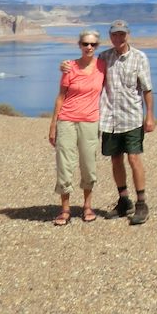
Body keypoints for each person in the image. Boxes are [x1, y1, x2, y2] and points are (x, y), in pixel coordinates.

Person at [63, 19, 155, 225]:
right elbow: (83, 65)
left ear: (127, 35)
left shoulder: (140, 57)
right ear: (110, 37)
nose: (119, 38)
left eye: (122, 34)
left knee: (134, 158)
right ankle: (124, 201)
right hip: (110, 119)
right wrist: (66, 65)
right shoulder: (103, 58)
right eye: (115, 35)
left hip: (132, 117)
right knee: (115, 159)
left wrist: (150, 116)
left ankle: (141, 203)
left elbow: (147, 89)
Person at [48, 29, 104, 226]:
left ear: (97, 46)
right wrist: (53, 124)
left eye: (93, 44)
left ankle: (87, 206)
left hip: (90, 121)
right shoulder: (69, 67)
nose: (89, 47)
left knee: (89, 164)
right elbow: (61, 97)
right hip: (67, 120)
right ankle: (65, 210)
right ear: (79, 45)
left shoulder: (103, 66)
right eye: (85, 44)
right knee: (65, 163)